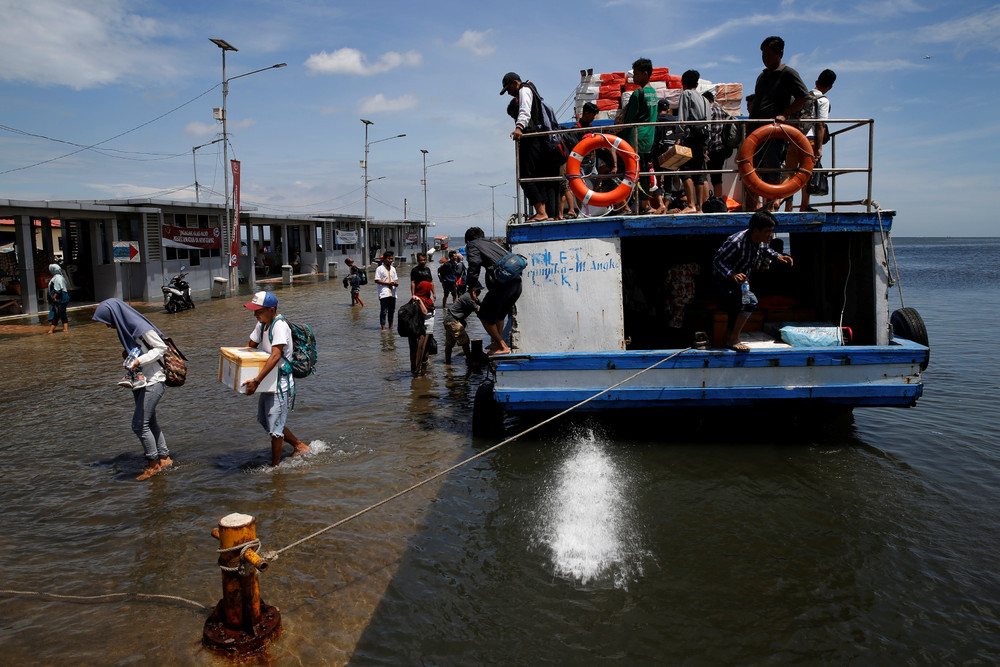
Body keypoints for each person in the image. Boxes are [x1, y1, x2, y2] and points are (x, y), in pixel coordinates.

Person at [93, 298, 172, 480]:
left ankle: (153, 466)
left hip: (154, 381)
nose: (107, 326)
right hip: (141, 381)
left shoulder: (139, 326)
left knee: (139, 425)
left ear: (115, 316)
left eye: (107, 321)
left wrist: (138, 360)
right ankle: (164, 457)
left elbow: (161, 347)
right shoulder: (127, 328)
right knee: (149, 422)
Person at [242, 291, 310, 467]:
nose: (255, 314)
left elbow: (275, 356)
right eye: (254, 311)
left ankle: (275, 467)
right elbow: (250, 347)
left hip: (281, 382)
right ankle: (299, 446)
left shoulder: (279, 326)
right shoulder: (262, 324)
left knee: (275, 428)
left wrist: (256, 381)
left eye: (259, 310)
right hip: (268, 380)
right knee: (265, 420)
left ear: (271, 309)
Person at [712, 209, 793, 351]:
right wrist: (732, 274)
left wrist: (778, 256)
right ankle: (733, 339)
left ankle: (728, 338)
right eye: (768, 231)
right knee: (749, 301)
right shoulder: (736, 242)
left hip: (740, 284)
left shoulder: (759, 241)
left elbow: (765, 249)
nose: (771, 235)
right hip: (723, 283)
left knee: (740, 305)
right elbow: (717, 261)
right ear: (756, 230)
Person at [749, 36, 810, 210]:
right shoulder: (762, 76)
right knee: (757, 169)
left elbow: (803, 97)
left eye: (768, 55)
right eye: (763, 55)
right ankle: (760, 204)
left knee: (772, 167)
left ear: (780, 53)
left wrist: (785, 114)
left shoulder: (788, 73)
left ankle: (771, 204)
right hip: (756, 130)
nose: (765, 58)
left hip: (773, 131)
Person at [501, 72, 561, 223]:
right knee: (536, 176)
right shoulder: (532, 88)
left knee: (526, 177)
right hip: (539, 138)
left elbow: (524, 111)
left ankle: (541, 212)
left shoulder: (524, 90)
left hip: (532, 138)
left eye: (509, 89)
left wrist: (519, 127)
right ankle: (544, 212)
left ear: (515, 82)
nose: (509, 93)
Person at [786, 69, 837, 212]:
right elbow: (820, 125)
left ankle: (781, 204)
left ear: (816, 82)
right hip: (810, 141)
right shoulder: (823, 101)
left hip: (794, 137)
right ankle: (803, 206)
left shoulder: (802, 97)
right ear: (830, 87)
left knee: (789, 172)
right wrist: (819, 148)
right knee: (806, 173)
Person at [465, 226, 520, 355]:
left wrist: (472, 286)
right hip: (516, 283)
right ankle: (497, 343)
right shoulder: (494, 243)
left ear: (468, 240)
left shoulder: (472, 245)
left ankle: (502, 346)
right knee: (499, 315)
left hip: (503, 285)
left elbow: (474, 265)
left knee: (484, 315)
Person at [622, 58, 660, 214]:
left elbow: (629, 119)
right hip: (648, 138)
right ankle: (645, 204)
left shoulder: (638, 94)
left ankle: (637, 205)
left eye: (636, 74)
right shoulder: (654, 94)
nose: (633, 78)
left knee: (630, 172)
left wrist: (622, 135)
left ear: (645, 74)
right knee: (644, 171)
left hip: (635, 138)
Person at [676, 69, 710, 214]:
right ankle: (700, 207)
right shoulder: (705, 100)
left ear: (683, 83)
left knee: (685, 170)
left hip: (690, 136)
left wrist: (679, 136)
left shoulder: (686, 94)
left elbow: (682, 118)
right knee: (699, 172)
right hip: (702, 138)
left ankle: (690, 204)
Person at [704, 90, 734, 200]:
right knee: (717, 178)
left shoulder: (710, 110)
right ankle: (718, 200)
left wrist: (705, 148)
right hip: (722, 148)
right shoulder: (722, 110)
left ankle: (706, 202)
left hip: (712, 148)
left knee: (704, 177)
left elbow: (710, 131)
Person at [443, 285, 480, 364]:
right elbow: (479, 313)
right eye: (477, 292)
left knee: (450, 343)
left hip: (449, 319)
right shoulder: (469, 299)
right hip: (453, 320)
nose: (478, 294)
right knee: (465, 341)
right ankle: (470, 361)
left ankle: (447, 363)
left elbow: (479, 303)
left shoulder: (467, 296)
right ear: (473, 292)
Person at [409, 280, 436, 377]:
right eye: (429, 289)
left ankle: (423, 373)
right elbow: (424, 312)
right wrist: (420, 300)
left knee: (425, 353)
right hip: (420, 331)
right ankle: (415, 374)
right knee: (419, 352)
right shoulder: (416, 300)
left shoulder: (428, 300)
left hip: (428, 331)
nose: (430, 291)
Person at [375, 251, 399, 331]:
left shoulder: (393, 269)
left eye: (391, 258)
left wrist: (395, 283)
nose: (390, 260)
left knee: (392, 311)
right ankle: (383, 328)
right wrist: (387, 283)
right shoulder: (379, 269)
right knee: (383, 311)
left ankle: (391, 327)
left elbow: (395, 279)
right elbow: (377, 280)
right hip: (384, 293)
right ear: (384, 259)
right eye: (389, 258)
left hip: (393, 293)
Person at [46, 263, 69, 334]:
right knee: (60, 313)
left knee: (58, 314)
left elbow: (58, 289)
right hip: (62, 298)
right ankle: (63, 329)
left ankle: (52, 330)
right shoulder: (59, 277)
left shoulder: (57, 278)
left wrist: (54, 297)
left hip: (60, 299)